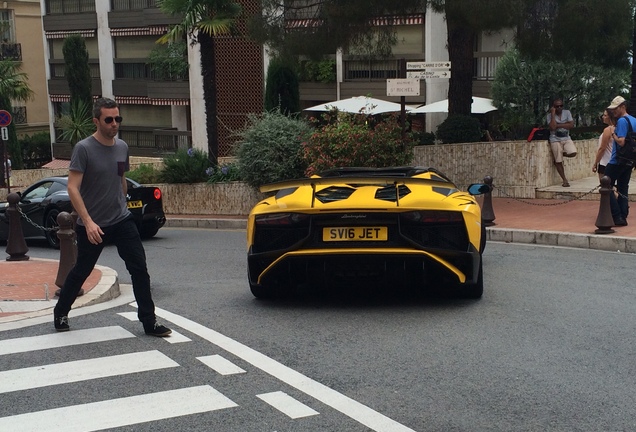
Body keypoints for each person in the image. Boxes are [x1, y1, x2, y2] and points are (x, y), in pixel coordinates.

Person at [53, 97, 171, 336]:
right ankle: (61, 311)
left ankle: (149, 321)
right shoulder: (83, 149)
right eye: (109, 119)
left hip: (121, 219)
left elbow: (120, 179)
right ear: (96, 121)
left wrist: (123, 202)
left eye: (118, 118)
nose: (114, 124)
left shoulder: (122, 147)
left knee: (139, 268)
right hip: (93, 224)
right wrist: (87, 222)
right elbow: (73, 188)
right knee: (81, 271)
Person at [604, 95, 634, 227]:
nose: (614, 111)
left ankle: (617, 215)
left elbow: (621, 142)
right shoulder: (634, 120)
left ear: (623, 107)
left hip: (617, 159)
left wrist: (613, 135)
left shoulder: (622, 121)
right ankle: (623, 215)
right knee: (623, 188)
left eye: (616, 108)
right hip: (630, 160)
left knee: (606, 185)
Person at [546, 98, 577, 187]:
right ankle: (564, 180)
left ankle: (561, 154)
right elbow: (552, 127)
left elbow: (571, 125)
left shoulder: (567, 113)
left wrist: (557, 125)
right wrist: (552, 114)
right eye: (557, 106)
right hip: (554, 139)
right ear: (553, 107)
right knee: (558, 161)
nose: (559, 108)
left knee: (573, 152)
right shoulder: (549, 116)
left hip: (566, 137)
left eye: (561, 106)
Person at [592, 110, 615, 181]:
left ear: (610, 117)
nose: (603, 117)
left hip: (605, 162)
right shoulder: (618, 128)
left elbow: (602, 148)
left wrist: (595, 163)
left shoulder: (608, 130)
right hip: (615, 161)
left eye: (605, 115)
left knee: (605, 187)